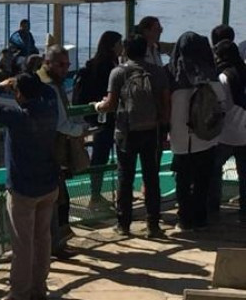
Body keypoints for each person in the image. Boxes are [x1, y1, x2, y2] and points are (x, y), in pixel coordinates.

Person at [0, 74, 59, 300]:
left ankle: (20, 292)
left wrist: (1, 87)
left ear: (19, 93)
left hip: (23, 187)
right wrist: (32, 83)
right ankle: (39, 288)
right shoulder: (51, 108)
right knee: (43, 239)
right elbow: (49, 92)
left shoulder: (17, 117)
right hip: (49, 183)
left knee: (22, 243)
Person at [93, 34, 169, 237]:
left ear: (126, 51)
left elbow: (110, 104)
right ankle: (153, 224)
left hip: (126, 131)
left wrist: (97, 106)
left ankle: (123, 224)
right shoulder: (157, 72)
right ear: (145, 49)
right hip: (152, 130)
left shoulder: (118, 72)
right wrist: (163, 125)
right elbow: (165, 104)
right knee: (151, 178)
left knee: (124, 178)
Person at [167, 31, 220, 231]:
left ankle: (184, 219)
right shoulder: (211, 75)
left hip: (180, 138)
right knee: (202, 180)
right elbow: (221, 104)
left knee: (182, 180)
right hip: (206, 136)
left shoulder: (170, 75)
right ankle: (200, 217)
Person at [37, 45, 83, 259]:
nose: (66, 69)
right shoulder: (51, 87)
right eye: (61, 64)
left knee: (55, 200)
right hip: (51, 151)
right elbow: (60, 122)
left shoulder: (45, 81)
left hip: (45, 149)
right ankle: (54, 244)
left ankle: (53, 243)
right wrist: (79, 130)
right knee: (56, 201)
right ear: (48, 63)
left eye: (68, 65)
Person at [72, 30, 123, 206]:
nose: (122, 47)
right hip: (104, 116)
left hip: (101, 115)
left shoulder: (103, 63)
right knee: (102, 155)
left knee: (101, 155)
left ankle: (98, 193)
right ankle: (95, 195)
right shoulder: (106, 67)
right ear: (112, 46)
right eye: (119, 44)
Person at [212, 39, 246, 222]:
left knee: (214, 170)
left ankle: (213, 207)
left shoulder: (223, 77)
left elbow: (221, 106)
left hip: (225, 133)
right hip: (245, 133)